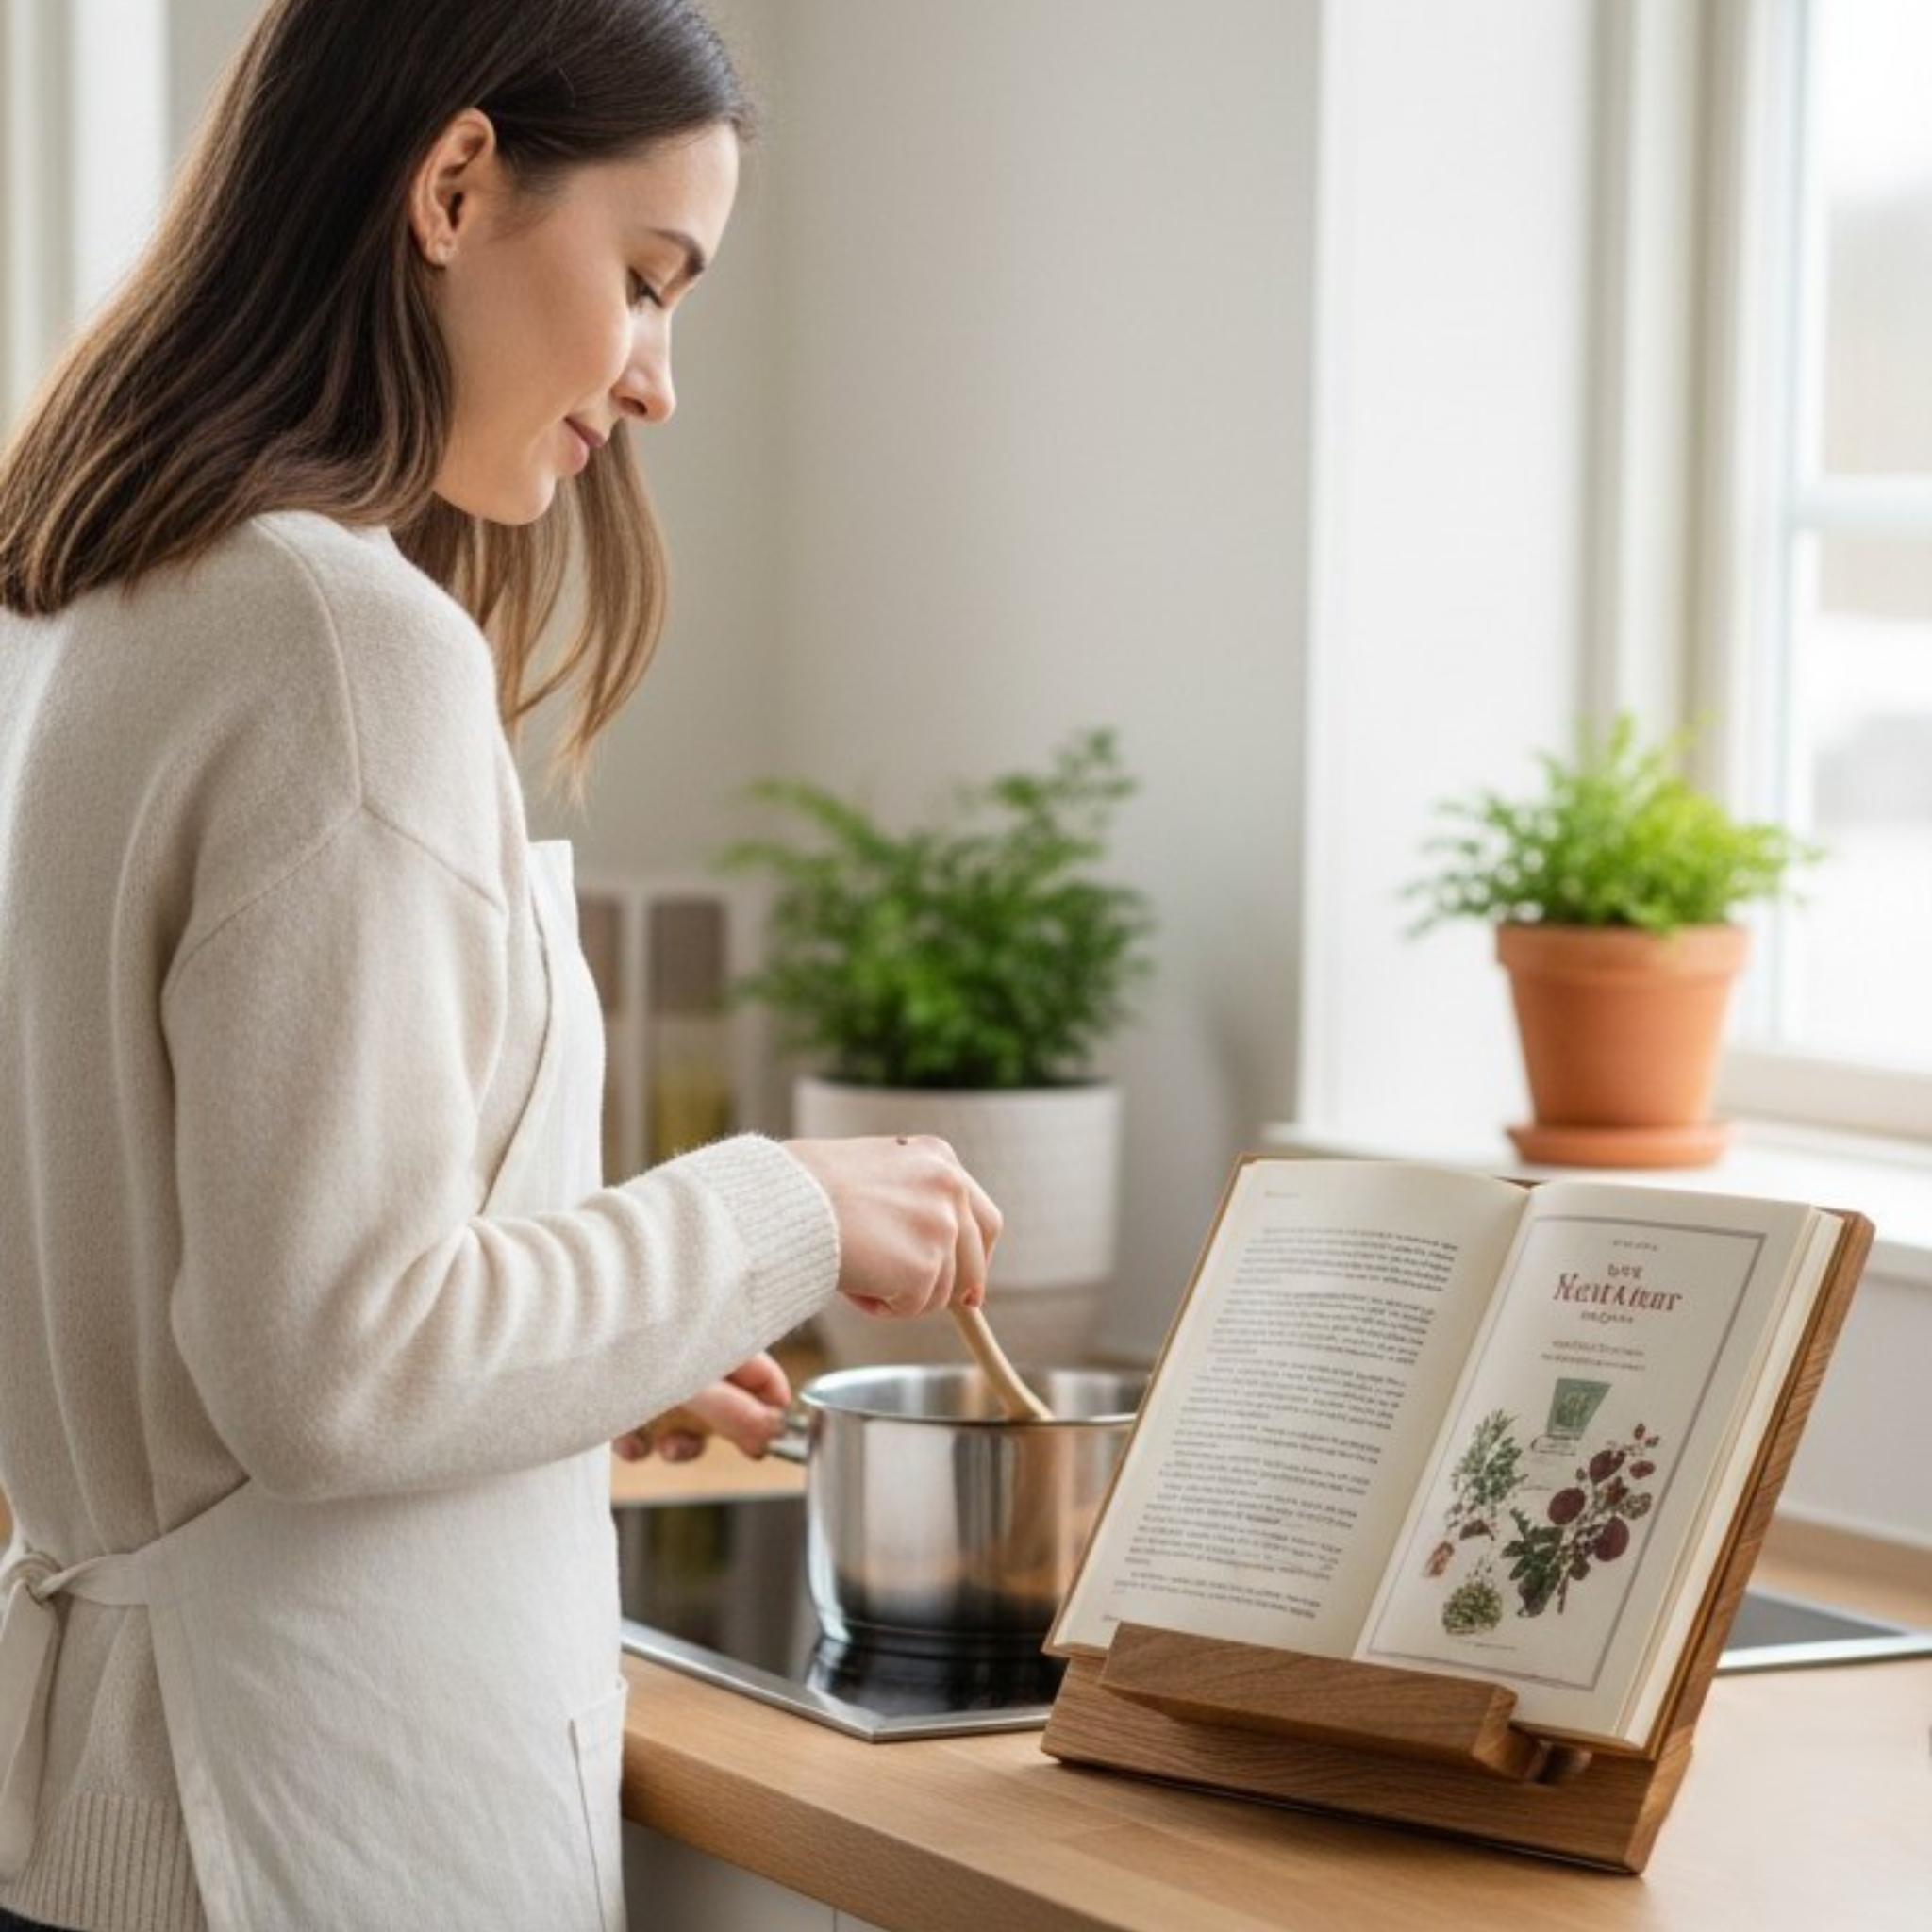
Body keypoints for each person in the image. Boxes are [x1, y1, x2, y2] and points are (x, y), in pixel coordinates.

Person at [0, 3, 1002, 1928]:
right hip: (300, 1818)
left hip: (129, 1789)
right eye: (645, 280)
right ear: (456, 183)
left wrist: (574, 1360)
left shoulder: (87, 606)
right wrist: (780, 1205)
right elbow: (333, 1365)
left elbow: (214, 1319)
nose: (658, 383)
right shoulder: (336, 642)